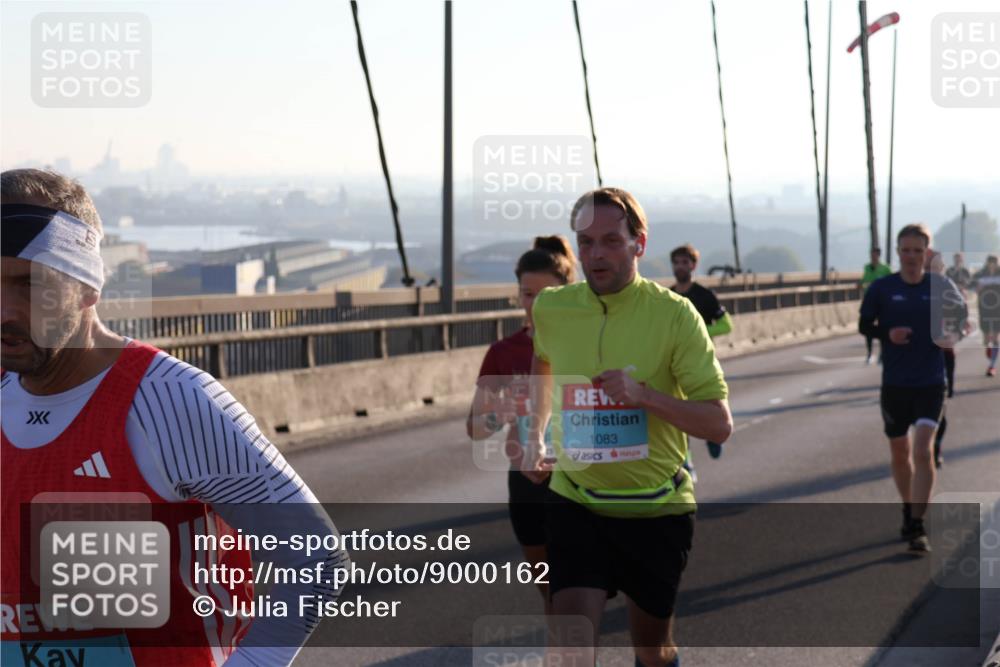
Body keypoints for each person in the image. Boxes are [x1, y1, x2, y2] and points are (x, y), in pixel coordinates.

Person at [1, 169, 346, 666]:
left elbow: (315, 557)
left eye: (31, 284)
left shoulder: (169, 398)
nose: (5, 311)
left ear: (86, 286)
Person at [526, 187, 732, 667]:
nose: (596, 254)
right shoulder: (552, 308)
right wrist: (533, 434)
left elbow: (719, 425)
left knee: (652, 652)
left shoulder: (675, 315)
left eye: (611, 241)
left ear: (640, 243)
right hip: (576, 501)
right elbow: (542, 362)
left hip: (655, 510)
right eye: (586, 242)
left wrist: (644, 396)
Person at [466, 235, 577, 612]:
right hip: (527, 480)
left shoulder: (589, 343)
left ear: (567, 293)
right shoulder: (503, 352)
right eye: (527, 294)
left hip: (579, 478)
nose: (535, 304)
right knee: (550, 593)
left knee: (578, 590)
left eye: (545, 295)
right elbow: (475, 428)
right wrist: (499, 413)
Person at [858, 224, 966, 552]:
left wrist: (952, 334)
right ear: (897, 252)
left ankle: (917, 522)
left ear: (926, 253)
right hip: (895, 384)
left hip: (931, 382)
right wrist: (886, 334)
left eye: (917, 251)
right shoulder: (882, 288)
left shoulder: (941, 286)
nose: (911, 257)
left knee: (922, 450)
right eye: (905, 250)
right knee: (900, 452)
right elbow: (864, 325)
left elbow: (962, 320)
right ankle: (908, 508)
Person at [670, 243, 732, 466]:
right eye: (676, 263)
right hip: (675, 363)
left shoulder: (705, 295)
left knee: (708, 407)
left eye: (684, 262)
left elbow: (726, 325)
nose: (680, 267)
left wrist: (699, 331)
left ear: (693, 265)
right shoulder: (668, 297)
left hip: (702, 362)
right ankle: (686, 463)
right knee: (677, 414)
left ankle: (712, 437)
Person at [860, 247, 892, 364]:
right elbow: (864, 280)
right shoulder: (867, 267)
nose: (873, 257)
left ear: (878, 255)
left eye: (875, 254)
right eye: (871, 254)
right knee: (867, 328)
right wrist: (860, 285)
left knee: (882, 327)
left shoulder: (885, 268)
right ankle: (869, 354)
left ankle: (882, 355)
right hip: (869, 301)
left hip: (883, 301)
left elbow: (892, 282)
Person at [972, 254, 1000, 377]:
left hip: (998, 309)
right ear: (987, 263)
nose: (992, 265)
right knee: (986, 338)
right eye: (990, 262)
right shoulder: (980, 274)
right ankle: (990, 353)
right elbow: (973, 288)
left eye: (995, 262)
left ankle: (992, 365)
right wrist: (978, 288)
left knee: (995, 337)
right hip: (984, 308)